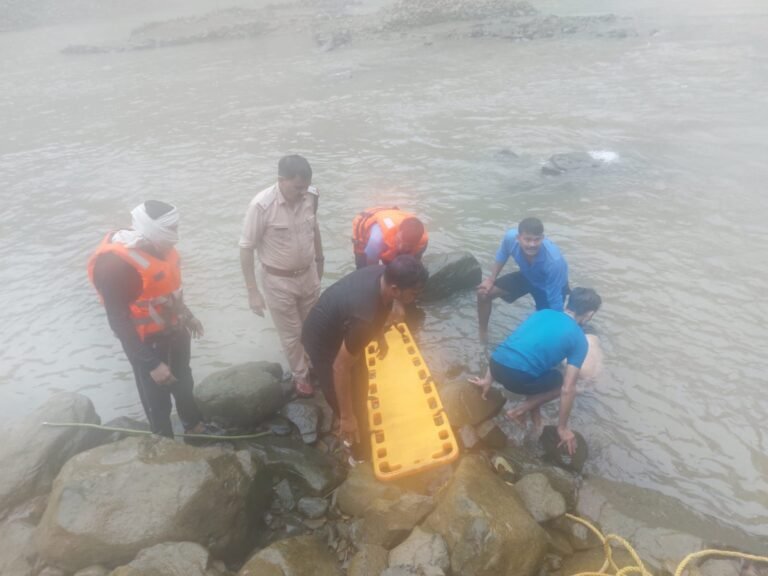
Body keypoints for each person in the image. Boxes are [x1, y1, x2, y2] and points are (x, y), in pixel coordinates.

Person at [88, 200, 213, 438]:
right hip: (146, 344)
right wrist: (151, 364)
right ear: (152, 228)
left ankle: (193, 426)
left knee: (184, 381)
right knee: (157, 398)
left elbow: (166, 293)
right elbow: (117, 320)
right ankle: (162, 440)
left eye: (177, 227)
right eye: (172, 228)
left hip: (175, 333)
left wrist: (189, 317)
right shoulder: (115, 265)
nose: (176, 234)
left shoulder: (161, 248)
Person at [301, 255, 429, 446]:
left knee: (360, 384)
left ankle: (358, 417)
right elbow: (340, 367)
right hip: (322, 340)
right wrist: (346, 416)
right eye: (413, 294)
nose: (415, 298)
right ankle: (351, 443)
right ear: (395, 290)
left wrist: (379, 335)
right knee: (341, 396)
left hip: (342, 325)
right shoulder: (365, 319)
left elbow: (382, 309)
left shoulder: (382, 274)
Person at [469, 287, 602, 455]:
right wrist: (562, 428)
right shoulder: (579, 339)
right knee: (563, 379)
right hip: (517, 378)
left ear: (569, 303)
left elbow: (512, 343)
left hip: (495, 365)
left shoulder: (543, 313)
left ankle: (536, 421)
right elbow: (568, 389)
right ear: (590, 314)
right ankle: (519, 410)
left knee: (539, 366)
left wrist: (488, 379)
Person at [239, 155, 324, 397]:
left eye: (306, 186)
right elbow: (246, 248)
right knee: (291, 333)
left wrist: (320, 260)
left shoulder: (312, 196)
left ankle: (313, 361)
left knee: (313, 325)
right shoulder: (261, 206)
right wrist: (252, 291)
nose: (302, 192)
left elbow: (314, 227)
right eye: (298, 187)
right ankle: (301, 375)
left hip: (308, 273)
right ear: (281, 180)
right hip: (278, 281)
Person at [477, 217, 569, 342]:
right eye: (527, 239)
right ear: (518, 238)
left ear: (543, 238)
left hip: (549, 287)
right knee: (483, 293)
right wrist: (491, 279)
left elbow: (555, 300)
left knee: (546, 326)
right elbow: (503, 254)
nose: (532, 244)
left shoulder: (554, 262)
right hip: (528, 275)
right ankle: (483, 333)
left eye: (537, 240)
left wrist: (557, 325)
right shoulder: (510, 238)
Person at [352, 207, 428, 269]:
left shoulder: (422, 243)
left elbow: (415, 261)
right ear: (398, 231)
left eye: (408, 246)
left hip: (392, 215)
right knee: (362, 269)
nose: (401, 247)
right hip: (366, 226)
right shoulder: (377, 240)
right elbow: (371, 268)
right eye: (399, 241)